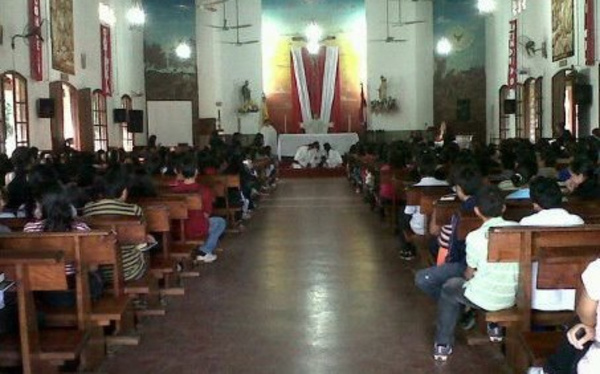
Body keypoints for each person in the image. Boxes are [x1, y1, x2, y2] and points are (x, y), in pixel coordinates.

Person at [432, 185, 519, 361]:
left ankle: (443, 344)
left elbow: (470, 273)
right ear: (503, 208)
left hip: (485, 296)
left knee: (450, 289)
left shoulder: (474, 237)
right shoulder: (520, 229)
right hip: (515, 296)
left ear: (477, 211)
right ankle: (494, 327)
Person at [414, 164, 482, 300]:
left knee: (422, 278)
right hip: (482, 261)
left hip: (462, 261)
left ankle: (450, 300)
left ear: (459, 189)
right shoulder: (487, 205)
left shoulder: (458, 212)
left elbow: (445, 241)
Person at [520, 177, 584, 311]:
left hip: (537, 297)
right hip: (573, 297)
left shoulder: (527, 223)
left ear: (535, 204)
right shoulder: (577, 221)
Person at [83, 168, 150, 283]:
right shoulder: (134, 210)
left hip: (99, 273)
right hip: (130, 270)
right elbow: (141, 241)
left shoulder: (88, 208)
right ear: (124, 191)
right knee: (146, 247)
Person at [171, 159, 226, 263]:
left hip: (176, 228)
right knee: (220, 222)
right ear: (196, 172)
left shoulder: (174, 191)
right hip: (197, 227)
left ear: (181, 173)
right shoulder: (204, 190)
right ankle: (205, 251)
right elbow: (207, 214)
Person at [399, 152, 449, 260]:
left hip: (420, 229)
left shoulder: (413, 189)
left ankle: (406, 248)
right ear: (436, 168)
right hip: (443, 229)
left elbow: (407, 215)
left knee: (403, 213)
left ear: (418, 169)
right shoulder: (448, 187)